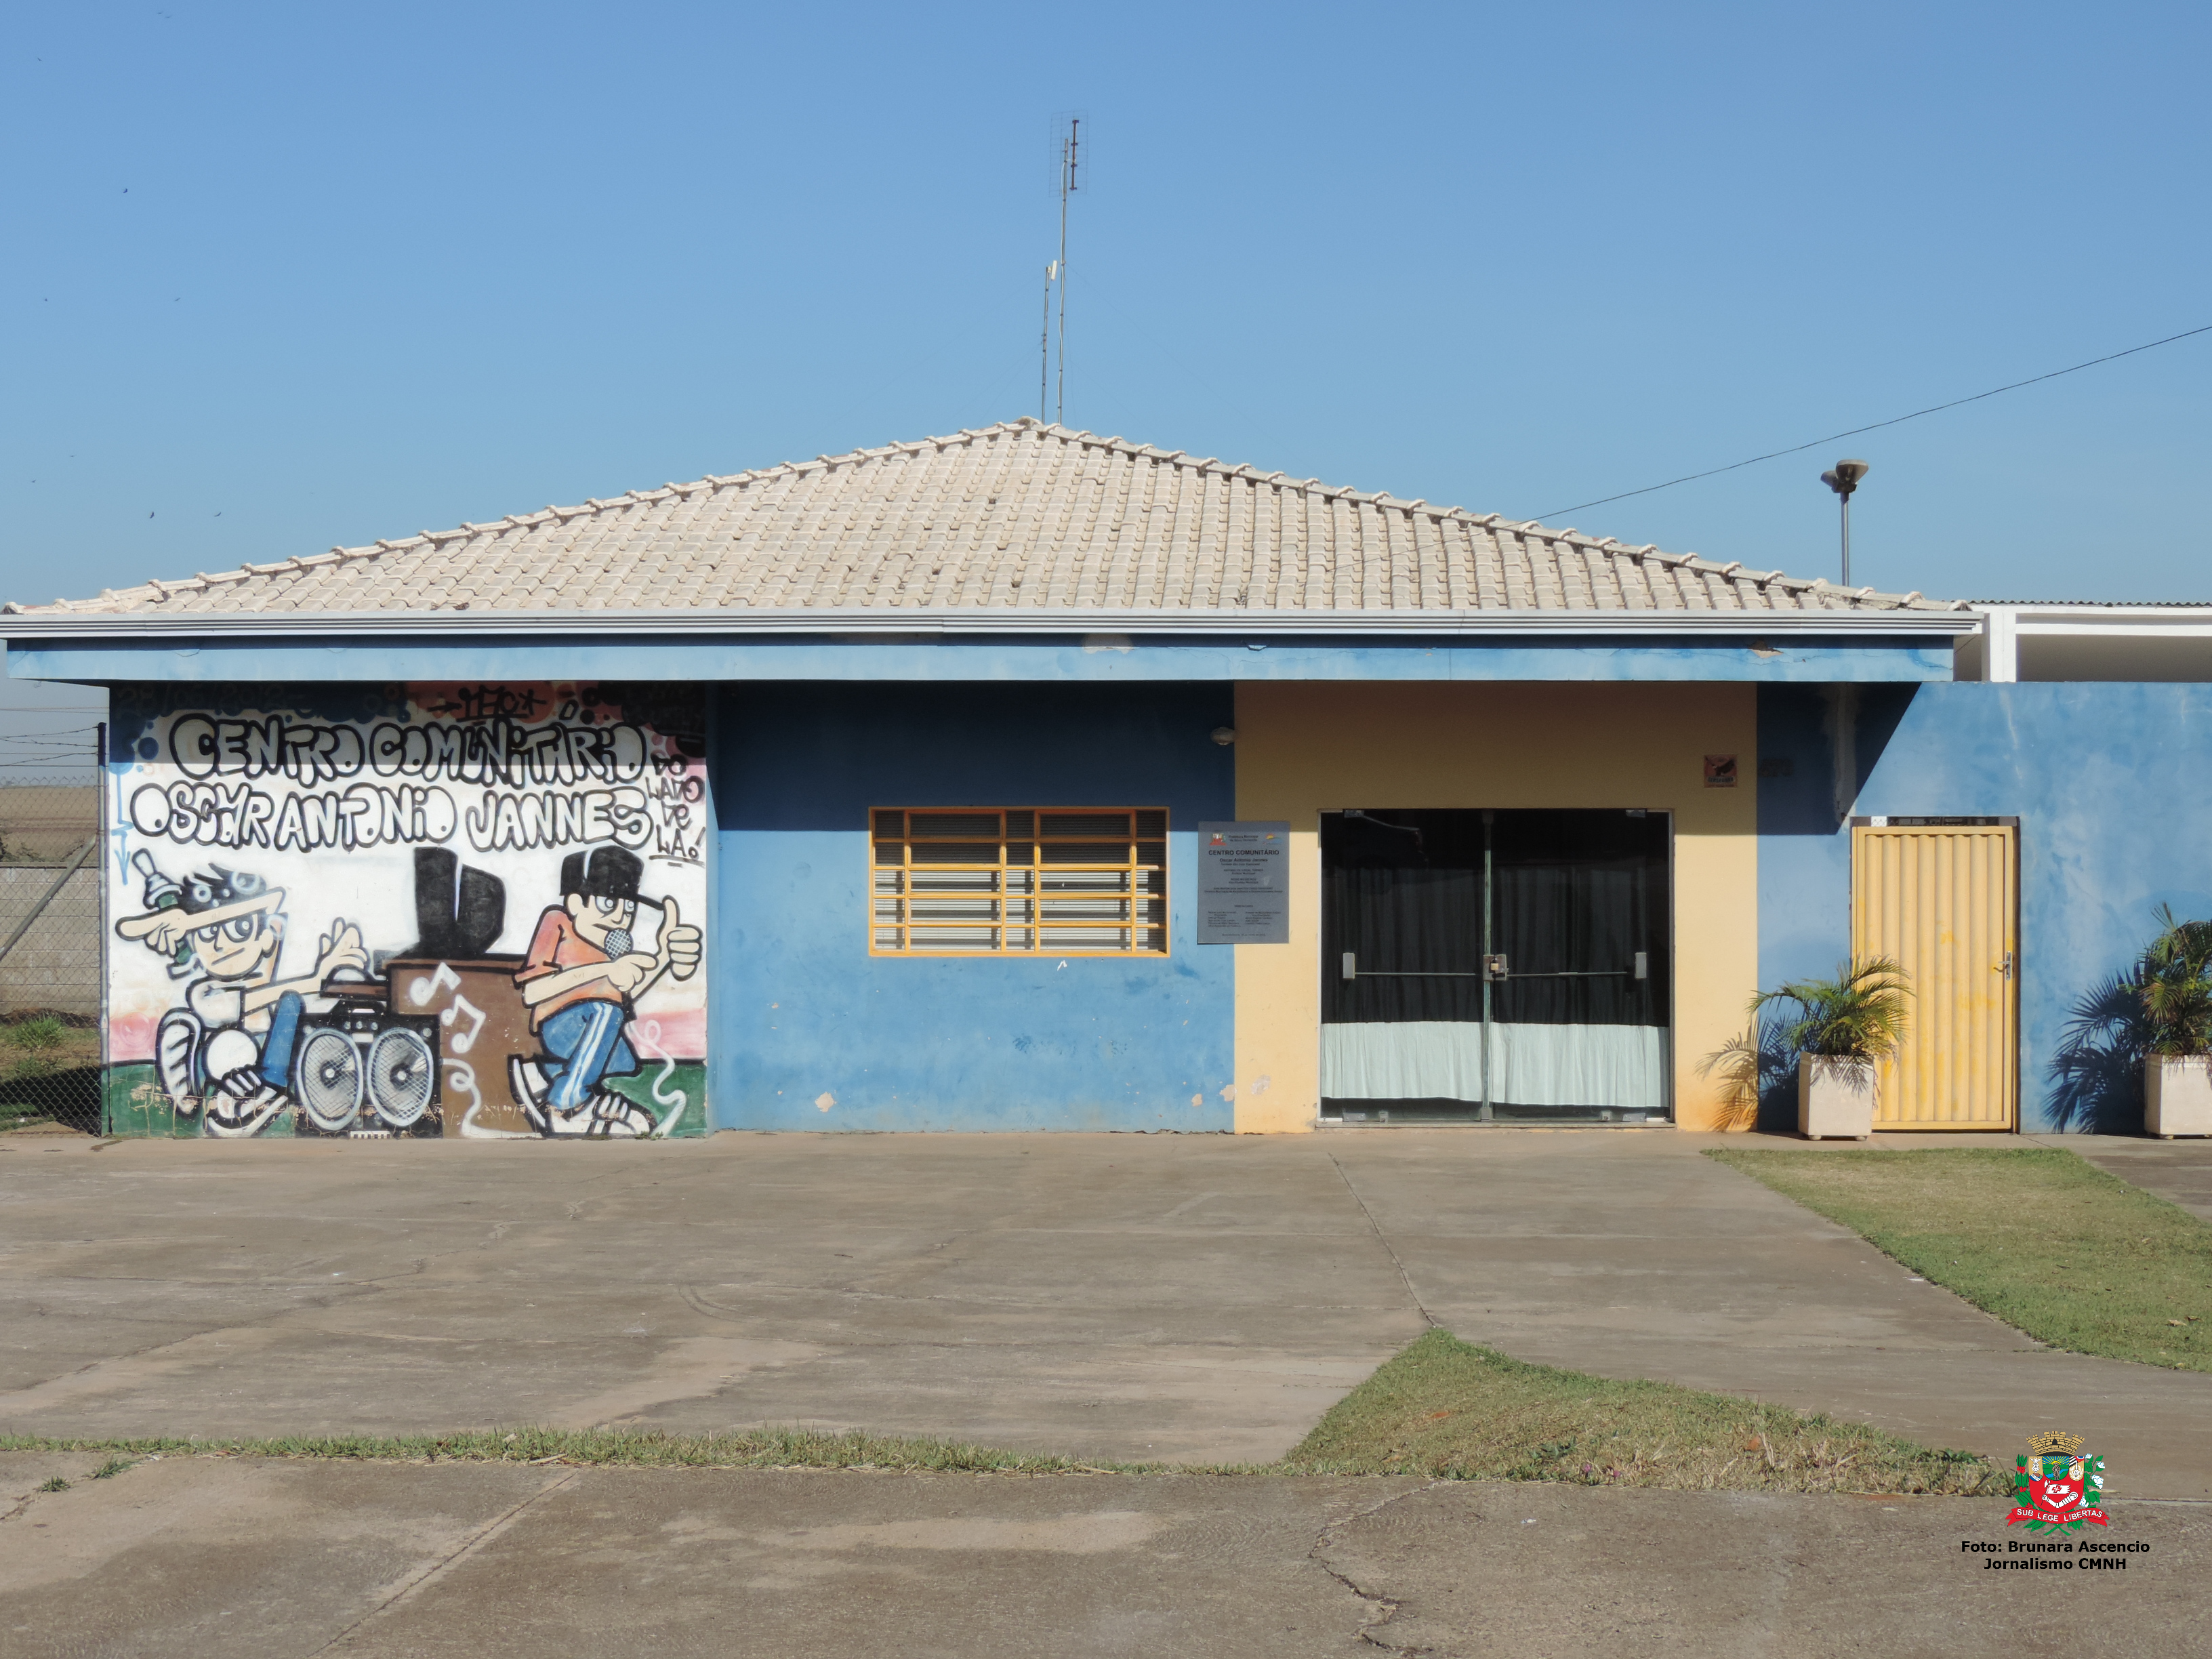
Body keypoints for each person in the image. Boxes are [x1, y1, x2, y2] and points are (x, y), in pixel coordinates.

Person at [509, 844, 701, 1136]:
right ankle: (565, 1102)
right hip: (561, 1028)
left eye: (629, 908)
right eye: (609, 903)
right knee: (605, 1011)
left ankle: (549, 1078)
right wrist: (605, 970)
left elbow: (626, 998)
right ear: (576, 903)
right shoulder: (558, 923)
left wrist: (665, 956)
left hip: (598, 1031)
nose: (621, 917)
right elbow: (532, 993)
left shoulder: (611, 950)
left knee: (626, 1061)